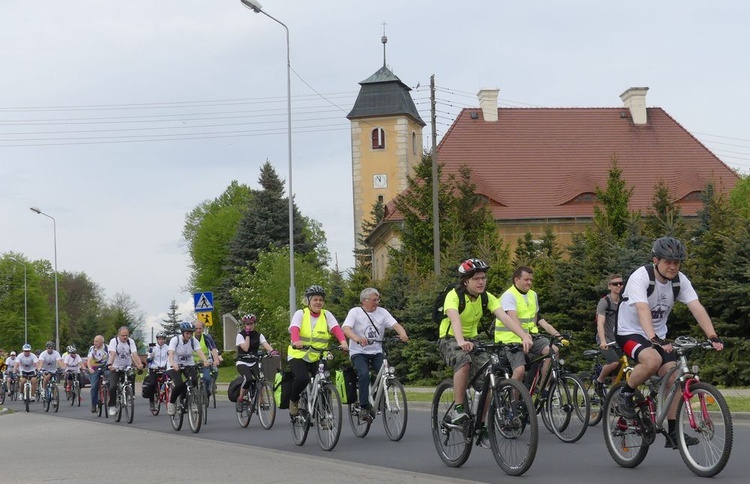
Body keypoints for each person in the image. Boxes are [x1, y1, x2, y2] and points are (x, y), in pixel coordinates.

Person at [615, 236, 723, 448]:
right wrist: (653, 338)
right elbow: (642, 309)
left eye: (677, 262)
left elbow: (696, 307)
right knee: (652, 360)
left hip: (658, 335)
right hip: (629, 332)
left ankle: (674, 433)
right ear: (656, 260)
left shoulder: (679, 280)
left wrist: (712, 335)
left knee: (674, 375)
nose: (673, 267)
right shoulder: (641, 276)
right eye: (668, 262)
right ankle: (625, 392)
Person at [438, 259, 532, 429]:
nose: (481, 282)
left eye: (483, 278)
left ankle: (482, 426)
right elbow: (455, 318)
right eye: (476, 279)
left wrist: (523, 336)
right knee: (464, 361)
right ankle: (458, 408)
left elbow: (504, 317)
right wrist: (460, 341)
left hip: (473, 340)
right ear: (466, 280)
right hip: (450, 338)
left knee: (491, 375)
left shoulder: (486, 297)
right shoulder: (454, 296)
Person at [342, 287, 409, 420]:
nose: (376, 302)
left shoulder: (382, 312)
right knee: (364, 374)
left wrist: (403, 334)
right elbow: (346, 328)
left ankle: (377, 398)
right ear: (364, 301)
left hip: (376, 351)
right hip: (359, 352)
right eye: (373, 300)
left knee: (386, 374)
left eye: (377, 299)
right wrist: (357, 339)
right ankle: (363, 406)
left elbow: (395, 325)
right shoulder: (355, 312)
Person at [287, 285, 348, 417]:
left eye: (321, 300)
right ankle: (294, 400)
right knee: (302, 378)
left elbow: (336, 329)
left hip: (318, 356)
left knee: (325, 382)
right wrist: (296, 341)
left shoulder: (326, 315)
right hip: (299, 354)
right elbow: (294, 329)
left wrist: (343, 343)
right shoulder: (301, 314)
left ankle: (324, 416)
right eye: (315, 299)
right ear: (309, 300)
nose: (318, 302)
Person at [497, 266, 564, 385]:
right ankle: (514, 402)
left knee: (553, 350)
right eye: (526, 280)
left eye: (531, 280)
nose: (529, 283)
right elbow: (513, 319)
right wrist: (524, 336)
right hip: (510, 340)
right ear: (517, 280)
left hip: (530, 337)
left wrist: (558, 336)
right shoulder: (509, 295)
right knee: (519, 371)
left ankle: (543, 387)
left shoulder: (533, 295)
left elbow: (539, 319)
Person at [235, 314, 278, 411]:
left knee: (261, 379)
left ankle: (260, 402)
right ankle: (240, 399)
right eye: (246, 324)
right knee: (248, 379)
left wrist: (272, 351)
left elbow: (265, 344)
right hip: (242, 362)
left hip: (254, 361)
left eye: (251, 323)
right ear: (244, 325)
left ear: (254, 324)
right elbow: (245, 348)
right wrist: (247, 335)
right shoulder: (240, 335)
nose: (249, 326)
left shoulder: (259, 335)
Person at [166, 322, 210, 416]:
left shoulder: (193, 341)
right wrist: (173, 363)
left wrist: (205, 361)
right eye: (187, 333)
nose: (189, 335)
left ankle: (192, 402)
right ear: (182, 333)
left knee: (193, 380)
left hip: (188, 364)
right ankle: (172, 403)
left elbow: (199, 351)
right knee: (178, 384)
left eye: (191, 333)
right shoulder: (175, 340)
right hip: (174, 365)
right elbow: (171, 353)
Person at [593, 273, 624, 396]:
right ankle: (599, 380)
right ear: (609, 286)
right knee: (614, 362)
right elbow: (600, 323)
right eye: (615, 284)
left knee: (618, 372)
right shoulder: (605, 301)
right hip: (606, 339)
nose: (619, 286)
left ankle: (613, 400)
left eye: (621, 283)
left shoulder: (624, 301)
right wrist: (603, 341)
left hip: (619, 340)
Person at [106, 327, 144, 417]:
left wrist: (139, 364)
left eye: (126, 335)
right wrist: (110, 365)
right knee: (113, 387)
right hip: (115, 367)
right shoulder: (114, 341)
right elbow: (113, 354)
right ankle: (112, 406)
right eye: (123, 335)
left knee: (131, 375)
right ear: (119, 335)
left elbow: (134, 354)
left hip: (127, 365)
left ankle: (131, 395)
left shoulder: (130, 341)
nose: (125, 337)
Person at [192, 320, 222, 396]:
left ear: (203, 329)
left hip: (204, 362)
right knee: (192, 380)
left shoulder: (206, 337)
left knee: (207, 378)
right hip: (192, 363)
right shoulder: (190, 338)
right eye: (196, 328)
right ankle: (194, 394)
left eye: (200, 328)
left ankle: (208, 391)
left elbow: (213, 349)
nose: (198, 330)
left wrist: (216, 360)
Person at [143, 332, 169, 410]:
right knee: (152, 384)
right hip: (154, 368)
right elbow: (148, 360)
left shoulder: (167, 348)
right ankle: (152, 402)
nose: (161, 341)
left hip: (164, 368)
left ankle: (166, 395)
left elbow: (170, 357)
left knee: (169, 381)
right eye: (159, 339)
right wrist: (151, 357)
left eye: (162, 339)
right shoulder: (152, 348)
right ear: (157, 339)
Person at [87, 335, 109, 413]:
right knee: (94, 386)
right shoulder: (92, 348)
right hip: (95, 368)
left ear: (102, 342)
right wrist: (90, 368)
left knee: (111, 380)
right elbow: (89, 359)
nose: (95, 343)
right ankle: (94, 404)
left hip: (105, 367)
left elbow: (112, 356)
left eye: (97, 341)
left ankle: (110, 398)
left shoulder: (107, 348)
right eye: (94, 341)